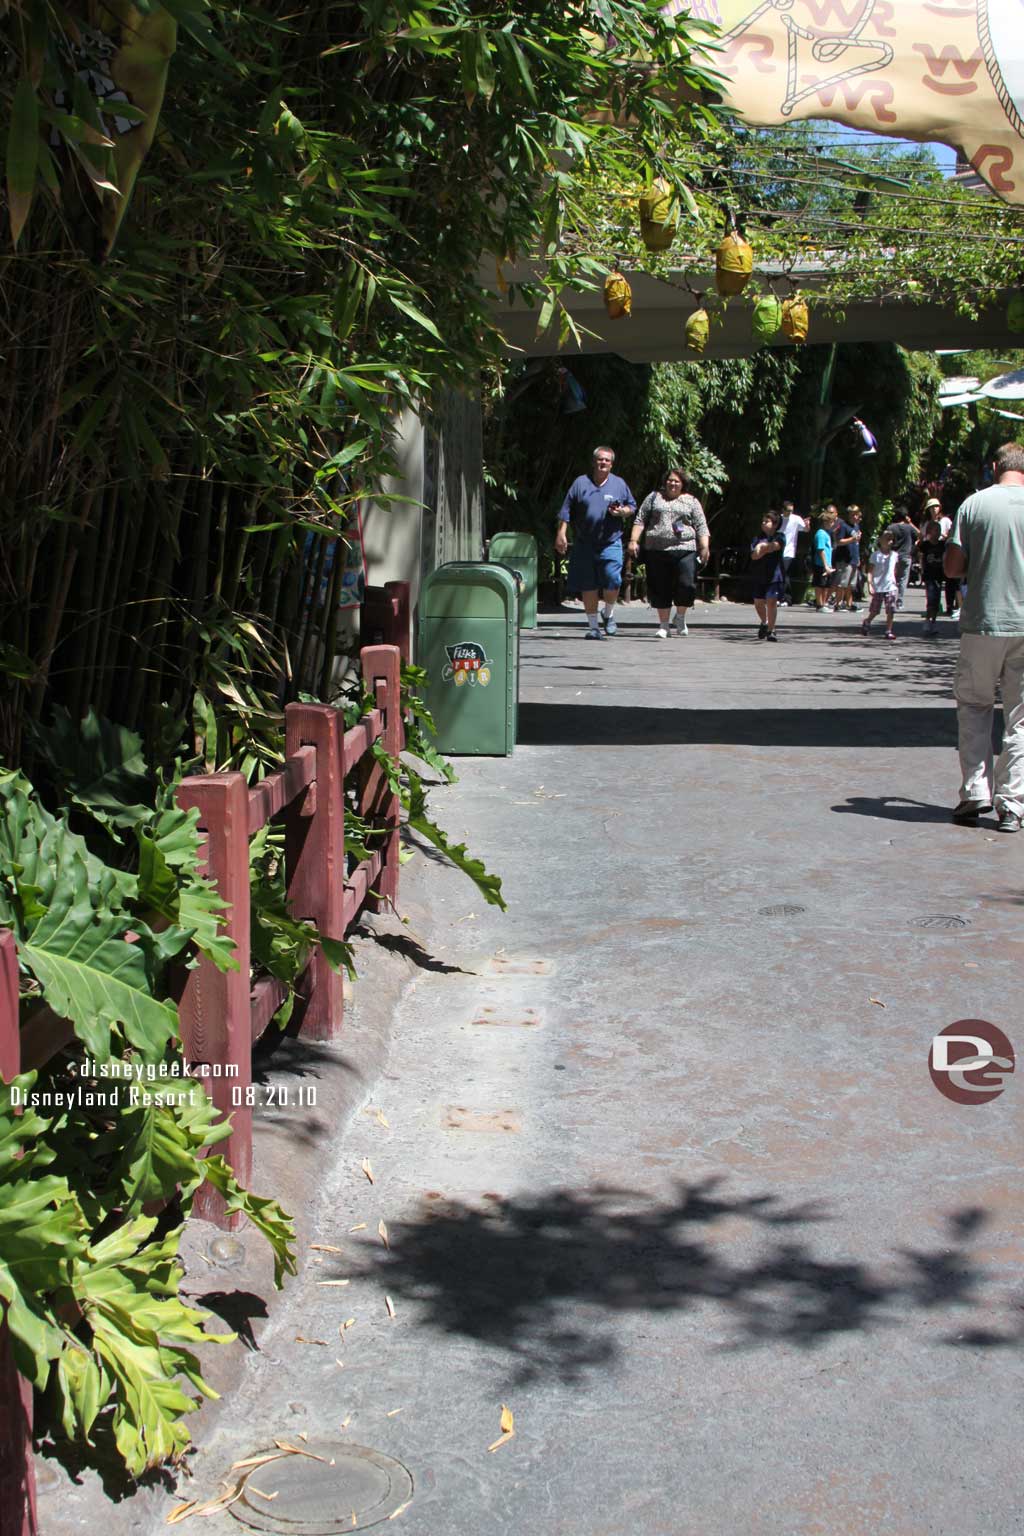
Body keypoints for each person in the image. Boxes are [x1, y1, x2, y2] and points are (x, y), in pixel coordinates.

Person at [944, 443, 1024, 832]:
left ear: (995, 467)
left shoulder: (974, 505)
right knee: (1021, 719)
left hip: (983, 622)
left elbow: (953, 567)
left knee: (975, 705)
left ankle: (975, 790)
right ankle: (1012, 805)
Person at [555, 446, 636, 639]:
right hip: (585, 542)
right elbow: (566, 510)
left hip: (611, 541)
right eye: (600, 459)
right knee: (588, 585)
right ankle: (593, 628)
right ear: (594, 462)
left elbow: (632, 506)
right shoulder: (580, 483)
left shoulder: (619, 484)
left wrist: (621, 512)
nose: (603, 463)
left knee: (613, 579)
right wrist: (561, 534)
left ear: (612, 464)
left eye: (607, 460)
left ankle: (608, 614)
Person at [628, 468, 709, 638]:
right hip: (657, 549)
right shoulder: (653, 498)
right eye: (670, 480)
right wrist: (634, 540)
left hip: (685, 548)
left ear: (683, 484)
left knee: (687, 585)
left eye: (677, 481)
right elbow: (640, 519)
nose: (672, 484)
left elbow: (701, 525)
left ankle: (680, 617)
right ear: (665, 482)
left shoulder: (691, 501)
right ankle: (664, 625)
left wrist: (704, 547)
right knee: (660, 587)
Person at [749, 510, 785, 641]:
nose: (763, 524)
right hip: (759, 575)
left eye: (767, 521)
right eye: (762, 521)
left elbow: (774, 547)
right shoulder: (757, 538)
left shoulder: (780, 536)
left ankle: (771, 630)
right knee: (758, 603)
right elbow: (754, 556)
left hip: (775, 576)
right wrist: (760, 549)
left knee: (771, 602)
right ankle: (764, 622)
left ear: (775, 524)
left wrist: (763, 547)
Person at [860, 530, 898, 641]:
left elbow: (894, 569)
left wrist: (894, 580)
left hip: (890, 586)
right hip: (878, 586)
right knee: (875, 610)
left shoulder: (894, 555)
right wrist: (870, 584)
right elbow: (870, 571)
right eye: (887, 539)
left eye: (891, 539)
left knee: (891, 609)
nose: (889, 542)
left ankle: (888, 631)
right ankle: (867, 621)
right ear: (880, 540)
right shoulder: (875, 555)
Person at [884, 506, 919, 611]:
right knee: (903, 580)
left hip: (893, 556)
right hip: (906, 556)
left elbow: (885, 539)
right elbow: (920, 534)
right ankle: (899, 601)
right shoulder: (909, 528)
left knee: (892, 578)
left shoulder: (891, 527)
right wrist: (911, 523)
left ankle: (890, 599)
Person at [828, 505, 862, 612]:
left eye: (857, 515)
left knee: (851, 585)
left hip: (853, 559)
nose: (855, 517)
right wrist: (852, 539)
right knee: (842, 583)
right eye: (853, 515)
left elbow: (856, 543)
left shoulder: (856, 526)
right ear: (848, 515)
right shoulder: (844, 526)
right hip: (844, 559)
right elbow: (839, 541)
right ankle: (838, 604)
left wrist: (858, 558)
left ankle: (849, 604)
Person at [919, 518, 946, 637]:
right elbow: (919, 555)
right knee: (931, 598)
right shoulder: (925, 545)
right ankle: (927, 621)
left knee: (937, 600)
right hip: (929, 575)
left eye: (939, 530)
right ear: (929, 531)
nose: (938, 532)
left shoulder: (943, 545)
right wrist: (921, 569)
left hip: (939, 575)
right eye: (935, 530)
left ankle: (933, 621)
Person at [779, 499, 809, 607]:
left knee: (784, 574)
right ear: (783, 510)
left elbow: (805, 530)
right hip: (777, 550)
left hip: (789, 551)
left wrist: (807, 525)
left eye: (792, 510)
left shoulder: (796, 519)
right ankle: (778, 596)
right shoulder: (779, 519)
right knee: (778, 574)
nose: (790, 512)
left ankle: (786, 598)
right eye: (788, 510)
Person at [811, 505, 837, 611]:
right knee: (820, 584)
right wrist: (825, 564)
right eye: (831, 522)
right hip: (821, 563)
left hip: (827, 563)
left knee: (826, 584)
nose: (833, 524)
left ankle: (824, 603)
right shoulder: (821, 534)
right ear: (825, 522)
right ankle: (819, 604)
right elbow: (820, 549)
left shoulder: (827, 533)